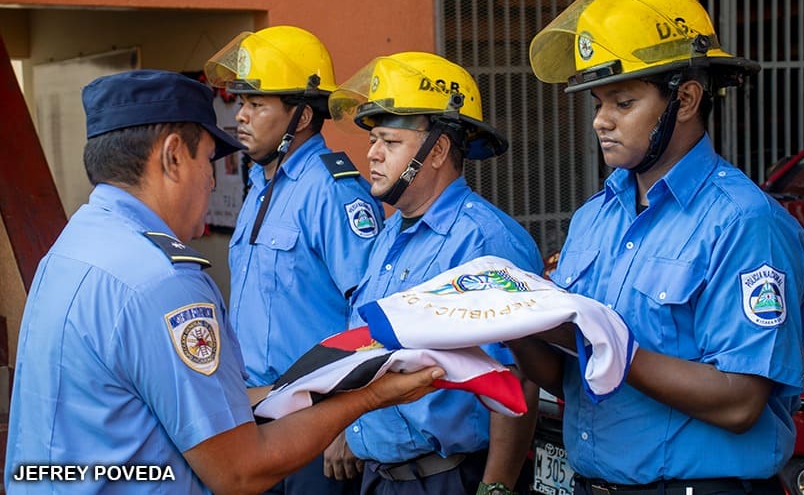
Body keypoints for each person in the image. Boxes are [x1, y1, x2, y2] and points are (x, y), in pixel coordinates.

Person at [4, 69, 442, 495]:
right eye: (208, 159)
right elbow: (239, 473)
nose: (213, 179)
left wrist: (307, 390)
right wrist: (371, 398)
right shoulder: (163, 281)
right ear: (173, 156)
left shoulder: (72, 247)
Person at [507, 0, 804, 494]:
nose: (601, 120)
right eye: (599, 102)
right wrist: (514, 320)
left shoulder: (742, 222)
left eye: (623, 102)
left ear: (687, 99)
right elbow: (570, 378)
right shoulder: (592, 219)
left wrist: (611, 346)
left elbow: (740, 402)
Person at [328, 51, 544, 495]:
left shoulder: (484, 240)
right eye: (373, 141)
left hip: (448, 478)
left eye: (389, 142)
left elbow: (516, 379)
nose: (371, 154)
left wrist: (496, 488)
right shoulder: (390, 233)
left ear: (437, 150)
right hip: (379, 475)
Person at [203, 26, 383, 494]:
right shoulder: (261, 184)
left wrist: (347, 421)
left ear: (301, 116)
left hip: (314, 423)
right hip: (255, 414)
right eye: (241, 103)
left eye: (257, 105)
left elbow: (372, 311)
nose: (241, 116)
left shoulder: (333, 191)